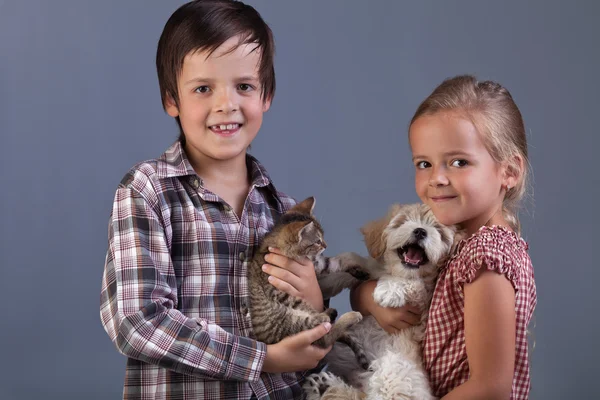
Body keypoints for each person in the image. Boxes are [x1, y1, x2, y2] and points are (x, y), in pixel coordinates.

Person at [100, 1, 330, 398]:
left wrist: (315, 303)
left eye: (244, 86)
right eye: (203, 88)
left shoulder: (286, 213)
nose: (226, 105)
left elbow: (314, 356)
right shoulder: (148, 191)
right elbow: (138, 322)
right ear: (172, 99)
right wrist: (262, 358)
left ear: (266, 94)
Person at [351, 75, 537, 399]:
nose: (436, 178)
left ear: (509, 171)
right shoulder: (453, 242)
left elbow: (490, 387)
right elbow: (370, 292)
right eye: (424, 163)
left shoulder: (487, 257)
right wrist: (372, 301)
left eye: (458, 162)